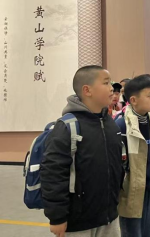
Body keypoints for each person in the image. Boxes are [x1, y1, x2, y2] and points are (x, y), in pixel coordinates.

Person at [41, 65, 123, 237]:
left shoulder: (110, 123)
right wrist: (57, 217)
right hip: (78, 221)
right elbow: (53, 174)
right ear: (87, 90)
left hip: (109, 217)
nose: (112, 89)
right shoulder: (67, 127)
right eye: (106, 83)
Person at [116, 75, 150, 237]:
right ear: (133, 100)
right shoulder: (122, 125)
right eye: (149, 96)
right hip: (131, 188)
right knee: (132, 229)